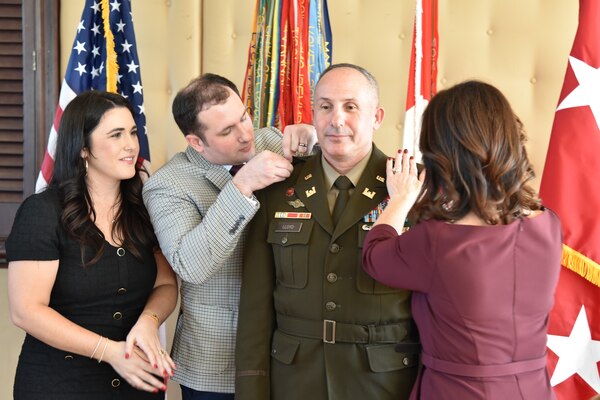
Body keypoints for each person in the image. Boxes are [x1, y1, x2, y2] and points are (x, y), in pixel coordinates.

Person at [362, 80, 562, 399]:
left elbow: (375, 255)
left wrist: (400, 199)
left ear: (440, 153)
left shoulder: (440, 240)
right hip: (534, 389)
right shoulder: (549, 225)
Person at [235, 63, 419, 400]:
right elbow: (256, 306)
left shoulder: (412, 187)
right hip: (295, 381)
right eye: (325, 107)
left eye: (351, 107)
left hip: (385, 383)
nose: (336, 120)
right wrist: (251, 387)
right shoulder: (277, 188)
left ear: (376, 117)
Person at [142, 73, 317, 400]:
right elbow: (190, 266)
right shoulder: (167, 186)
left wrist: (312, 135)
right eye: (227, 131)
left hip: (287, 354)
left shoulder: (270, 141)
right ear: (196, 141)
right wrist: (241, 186)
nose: (245, 135)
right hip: (218, 364)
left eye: (244, 118)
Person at [7, 91, 179, 399]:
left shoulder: (142, 207)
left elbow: (166, 283)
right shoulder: (42, 212)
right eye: (116, 135)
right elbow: (26, 311)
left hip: (135, 383)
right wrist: (110, 352)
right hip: (60, 385)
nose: (131, 145)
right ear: (83, 148)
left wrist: (148, 322)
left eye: (133, 132)